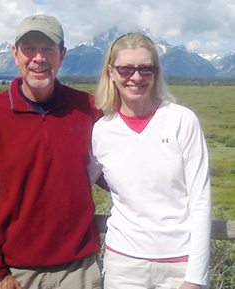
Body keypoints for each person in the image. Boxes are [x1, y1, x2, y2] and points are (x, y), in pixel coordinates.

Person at [0, 14, 103, 289]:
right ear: (15, 54)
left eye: (48, 49)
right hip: (14, 273)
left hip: (79, 270)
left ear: (62, 55)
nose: (38, 58)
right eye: (29, 48)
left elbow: (113, 173)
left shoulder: (87, 108)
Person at [88, 32, 212, 289]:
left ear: (156, 73)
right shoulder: (102, 130)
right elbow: (76, 187)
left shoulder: (181, 120)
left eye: (146, 69)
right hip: (123, 265)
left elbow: (201, 201)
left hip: (180, 262)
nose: (136, 77)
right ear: (111, 72)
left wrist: (195, 277)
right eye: (126, 69)